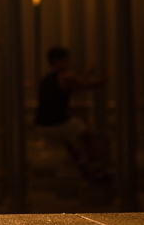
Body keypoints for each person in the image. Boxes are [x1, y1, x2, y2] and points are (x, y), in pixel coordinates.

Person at [34, 46, 106, 180]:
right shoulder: (66, 76)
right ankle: (97, 170)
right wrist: (104, 79)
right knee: (89, 136)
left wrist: (88, 73)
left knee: (67, 139)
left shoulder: (46, 78)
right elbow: (85, 85)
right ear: (57, 61)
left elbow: (76, 84)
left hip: (41, 122)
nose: (69, 63)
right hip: (57, 121)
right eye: (67, 60)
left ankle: (82, 165)